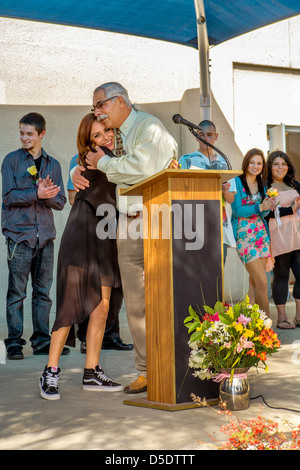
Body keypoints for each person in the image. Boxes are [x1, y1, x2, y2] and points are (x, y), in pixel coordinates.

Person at [71, 82, 178, 394]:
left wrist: (104, 164)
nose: (97, 113)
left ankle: (172, 363)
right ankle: (145, 370)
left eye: (99, 105)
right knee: (135, 304)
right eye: (94, 108)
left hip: (154, 218)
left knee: (162, 296)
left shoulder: (149, 127)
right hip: (125, 222)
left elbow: (142, 168)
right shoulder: (112, 133)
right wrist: (75, 171)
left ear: (118, 101)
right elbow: (89, 157)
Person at [39, 114, 125, 400]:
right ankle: (50, 371)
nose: (105, 138)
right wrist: (76, 172)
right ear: (89, 143)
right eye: (97, 136)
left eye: (107, 131)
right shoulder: (91, 160)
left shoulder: (117, 160)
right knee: (70, 303)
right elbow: (76, 196)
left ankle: (92, 372)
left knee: (101, 306)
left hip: (105, 238)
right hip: (81, 235)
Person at [1, 112, 67, 360]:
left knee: (43, 293)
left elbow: (60, 202)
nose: (24, 138)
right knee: (16, 293)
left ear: (42, 134)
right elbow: (8, 197)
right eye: (21, 133)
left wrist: (47, 195)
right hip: (19, 237)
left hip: (46, 238)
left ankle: (41, 341)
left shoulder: (54, 165)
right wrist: (35, 194)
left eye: (29, 133)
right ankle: (14, 343)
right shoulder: (11, 161)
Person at [67, 154, 133, 353]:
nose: (105, 137)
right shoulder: (76, 161)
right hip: (94, 229)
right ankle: (87, 336)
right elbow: (72, 199)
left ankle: (110, 336)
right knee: (92, 285)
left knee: (116, 285)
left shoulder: (120, 159)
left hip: (120, 228)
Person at [179, 120, 236, 263]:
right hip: (194, 222)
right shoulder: (186, 160)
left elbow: (230, 200)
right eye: (201, 135)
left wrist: (225, 190)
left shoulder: (224, 162)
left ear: (216, 136)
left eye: (209, 135)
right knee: (197, 272)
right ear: (196, 137)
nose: (205, 139)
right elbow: (179, 191)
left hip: (219, 223)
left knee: (217, 273)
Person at [231, 148, 276, 317]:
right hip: (244, 236)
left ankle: (250, 325)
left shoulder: (263, 185)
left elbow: (262, 214)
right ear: (246, 163)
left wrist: (267, 207)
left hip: (261, 236)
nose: (255, 166)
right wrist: (259, 207)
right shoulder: (236, 182)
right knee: (262, 282)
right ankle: (267, 328)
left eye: (259, 163)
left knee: (254, 284)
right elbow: (237, 211)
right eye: (252, 162)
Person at [265, 150, 300, 329]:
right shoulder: (265, 186)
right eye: (276, 164)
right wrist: (290, 209)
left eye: (284, 164)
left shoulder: (295, 184)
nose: (280, 167)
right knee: (282, 275)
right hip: (278, 237)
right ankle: (282, 318)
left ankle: (299, 317)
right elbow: (265, 212)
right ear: (270, 167)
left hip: (297, 236)